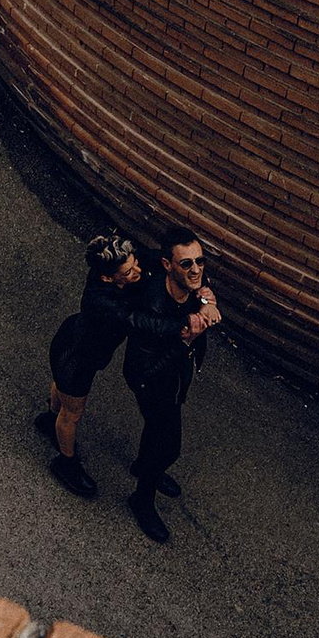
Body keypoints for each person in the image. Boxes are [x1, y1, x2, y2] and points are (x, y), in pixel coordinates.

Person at [37, 232, 179, 498]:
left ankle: (50, 418)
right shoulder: (100, 300)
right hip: (76, 357)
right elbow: (138, 320)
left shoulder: (126, 265)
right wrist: (181, 327)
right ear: (107, 277)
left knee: (63, 394)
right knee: (72, 413)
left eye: (135, 262)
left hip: (75, 341)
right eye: (128, 271)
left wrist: (203, 292)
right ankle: (66, 463)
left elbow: (157, 259)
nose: (138, 269)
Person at [122, 227, 219, 542]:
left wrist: (206, 299)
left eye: (200, 262)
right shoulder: (153, 307)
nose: (196, 270)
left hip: (175, 379)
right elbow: (146, 369)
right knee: (168, 447)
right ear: (167, 266)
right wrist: (186, 340)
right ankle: (142, 498)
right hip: (152, 381)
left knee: (155, 434)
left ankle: (143, 465)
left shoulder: (191, 286)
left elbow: (202, 287)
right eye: (186, 264)